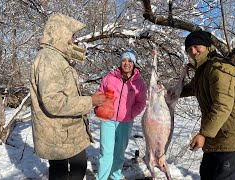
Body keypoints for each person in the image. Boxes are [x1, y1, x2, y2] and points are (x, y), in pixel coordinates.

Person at [30, 13, 105, 180]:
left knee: (78, 164)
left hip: (66, 131)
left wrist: (74, 50)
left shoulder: (56, 56)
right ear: (60, 33)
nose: (73, 39)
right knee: (61, 171)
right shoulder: (48, 59)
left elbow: (77, 56)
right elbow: (53, 102)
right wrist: (90, 101)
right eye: (71, 35)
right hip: (57, 133)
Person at [179, 30, 235, 180]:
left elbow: (222, 106)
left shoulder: (219, 68)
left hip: (232, 140)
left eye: (197, 46)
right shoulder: (203, 70)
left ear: (207, 46)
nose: (193, 52)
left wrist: (203, 134)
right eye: (189, 49)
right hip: (217, 139)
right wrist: (164, 93)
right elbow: (190, 88)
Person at [96, 49, 147, 180]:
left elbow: (141, 103)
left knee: (119, 153)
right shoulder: (109, 78)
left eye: (130, 61)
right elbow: (99, 95)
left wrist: (130, 114)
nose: (126, 63)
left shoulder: (139, 83)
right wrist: (98, 109)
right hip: (107, 120)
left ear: (134, 63)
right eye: (124, 60)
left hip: (125, 122)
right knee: (105, 153)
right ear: (120, 61)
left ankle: (115, 177)